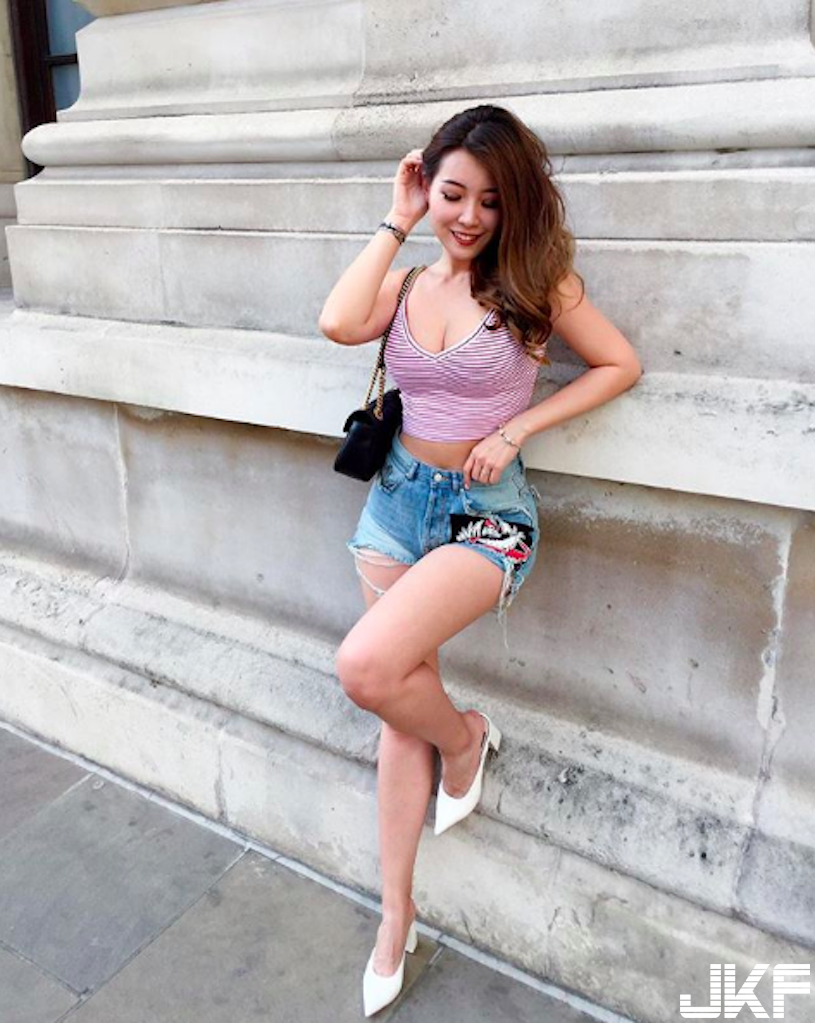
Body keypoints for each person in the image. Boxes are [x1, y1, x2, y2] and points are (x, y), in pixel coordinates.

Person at [319, 104, 642, 1016]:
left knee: (367, 668)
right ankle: (396, 914)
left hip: (485, 517)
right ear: (429, 189)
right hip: (394, 508)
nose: (468, 216)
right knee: (396, 705)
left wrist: (516, 426)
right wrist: (397, 216)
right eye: (452, 194)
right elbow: (336, 321)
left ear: (515, 207)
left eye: (490, 201)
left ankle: (464, 737)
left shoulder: (536, 286)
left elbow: (617, 365)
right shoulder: (406, 280)